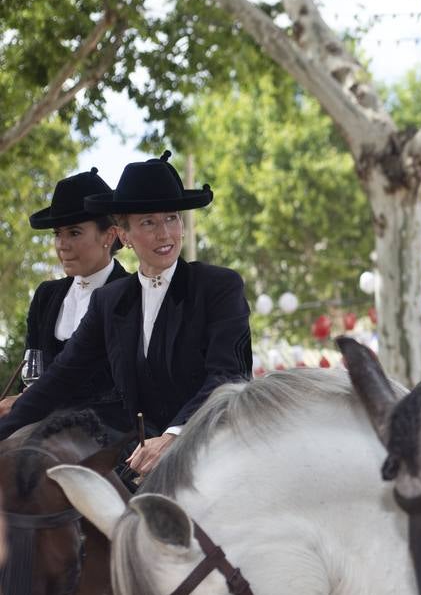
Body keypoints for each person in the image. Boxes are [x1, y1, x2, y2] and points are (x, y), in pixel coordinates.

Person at [0, 152, 251, 473]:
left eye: (171, 218)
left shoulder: (219, 285)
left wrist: (175, 436)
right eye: (148, 222)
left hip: (210, 449)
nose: (165, 233)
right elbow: (60, 377)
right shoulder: (110, 300)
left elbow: (228, 375)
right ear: (124, 235)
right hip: (135, 456)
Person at [0, 168, 129, 428]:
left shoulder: (130, 295)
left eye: (74, 232)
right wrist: (21, 400)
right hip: (41, 422)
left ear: (109, 235)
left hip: (107, 432)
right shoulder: (46, 296)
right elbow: (33, 371)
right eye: (57, 234)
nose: (61, 244)